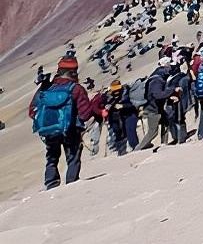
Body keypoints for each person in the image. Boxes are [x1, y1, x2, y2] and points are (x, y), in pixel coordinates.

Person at [28, 56, 102, 189]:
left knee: (52, 157)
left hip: (49, 131)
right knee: (72, 157)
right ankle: (71, 185)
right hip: (70, 130)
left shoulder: (46, 88)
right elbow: (85, 115)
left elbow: (32, 112)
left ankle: (51, 184)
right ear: (74, 71)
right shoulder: (76, 88)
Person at [103, 79, 136, 155]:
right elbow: (103, 104)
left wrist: (122, 106)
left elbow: (132, 104)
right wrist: (106, 107)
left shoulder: (126, 93)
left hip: (125, 116)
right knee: (117, 133)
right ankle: (120, 151)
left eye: (118, 89)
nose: (116, 92)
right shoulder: (108, 96)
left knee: (126, 133)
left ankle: (130, 148)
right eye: (115, 90)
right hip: (113, 118)